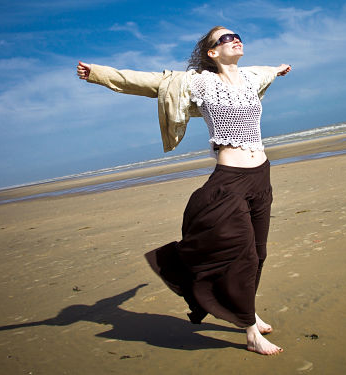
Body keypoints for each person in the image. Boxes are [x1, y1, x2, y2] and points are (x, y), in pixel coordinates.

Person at [77, 26, 291, 355]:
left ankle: (248, 309)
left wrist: (278, 69)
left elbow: (267, 72)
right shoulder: (196, 82)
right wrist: (97, 73)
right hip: (229, 180)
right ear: (211, 53)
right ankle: (250, 332)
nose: (234, 39)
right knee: (243, 255)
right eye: (224, 39)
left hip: (261, 175)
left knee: (259, 252)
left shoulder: (251, 77)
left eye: (236, 35)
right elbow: (143, 82)